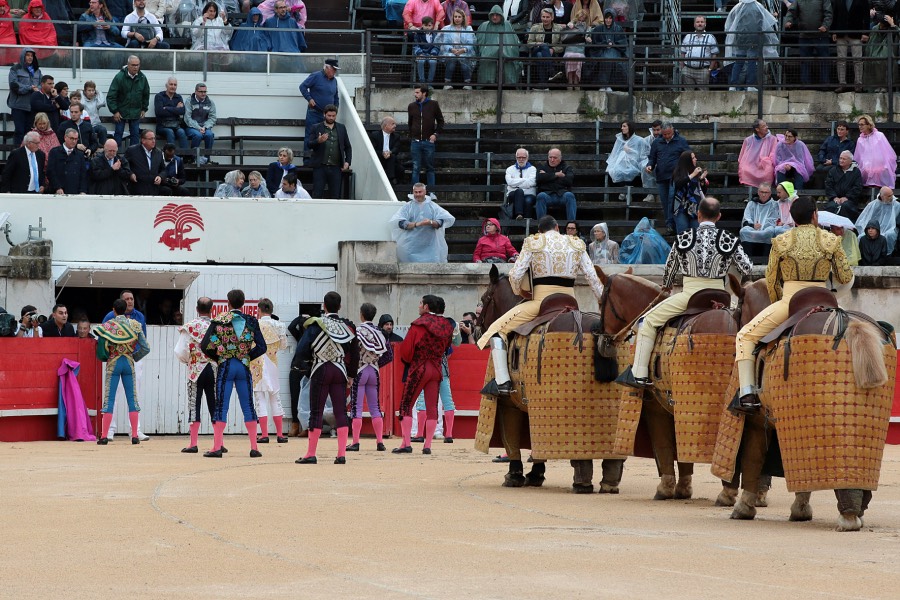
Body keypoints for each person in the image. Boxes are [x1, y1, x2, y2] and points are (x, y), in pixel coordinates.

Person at [733, 197, 853, 413]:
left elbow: (771, 280)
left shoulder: (781, 241)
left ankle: (747, 394)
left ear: (793, 218)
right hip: (824, 299)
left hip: (790, 302)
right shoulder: (830, 240)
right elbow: (845, 277)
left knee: (745, 336)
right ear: (815, 215)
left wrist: (782, 301)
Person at [618, 198, 753, 388]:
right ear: (719, 216)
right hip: (722, 298)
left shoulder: (684, 237)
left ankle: (639, 374)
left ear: (698, 215)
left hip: (690, 296)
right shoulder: (729, 238)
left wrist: (668, 286)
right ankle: (748, 384)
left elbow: (669, 271)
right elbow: (747, 266)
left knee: (646, 322)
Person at [476, 214, 604, 394]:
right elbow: (592, 277)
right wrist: (602, 301)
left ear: (539, 231)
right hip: (570, 301)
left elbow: (515, 275)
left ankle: (503, 382)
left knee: (497, 331)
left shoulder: (533, 242)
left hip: (541, 302)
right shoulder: (576, 243)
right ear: (558, 227)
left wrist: (520, 292)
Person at [200, 289, 268, 458]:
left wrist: (219, 356)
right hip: (243, 367)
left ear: (228, 303)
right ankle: (254, 447)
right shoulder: (251, 321)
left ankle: (217, 447)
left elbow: (205, 344)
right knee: (248, 405)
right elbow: (262, 347)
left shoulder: (219, 320)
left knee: (221, 406)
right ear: (243, 303)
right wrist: (245, 356)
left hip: (226, 366)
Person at [295, 291, 358, 464]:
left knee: (316, 411)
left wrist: (306, 369)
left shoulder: (315, 325)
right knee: (340, 412)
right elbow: (354, 351)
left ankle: (311, 453)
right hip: (339, 370)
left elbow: (302, 350)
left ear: (324, 306)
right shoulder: (348, 326)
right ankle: (341, 454)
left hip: (320, 369)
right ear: (340, 306)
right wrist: (351, 374)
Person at [392, 294, 454, 454]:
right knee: (432, 406)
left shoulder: (419, 324)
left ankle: (406, 443)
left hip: (419, 367)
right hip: (436, 368)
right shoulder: (446, 325)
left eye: (420, 303)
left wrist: (411, 361)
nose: (419, 306)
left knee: (406, 405)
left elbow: (406, 351)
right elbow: (447, 347)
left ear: (426, 307)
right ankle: (427, 445)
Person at [94, 298, 150, 446]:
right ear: (125, 309)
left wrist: (107, 356)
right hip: (128, 362)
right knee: (132, 398)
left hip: (113, 362)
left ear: (114, 310)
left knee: (109, 399)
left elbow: (102, 347)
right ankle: (135, 436)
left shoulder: (107, 326)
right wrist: (133, 357)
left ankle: (105, 435)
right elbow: (146, 348)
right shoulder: (135, 325)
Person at [410, 299, 460, 444]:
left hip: (426, 365)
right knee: (447, 400)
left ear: (428, 307)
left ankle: (419, 433)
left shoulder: (422, 323)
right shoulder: (449, 324)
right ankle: (449, 434)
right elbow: (457, 343)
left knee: (422, 401)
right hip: (442, 365)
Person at [347, 302, 392, 452]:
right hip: (373, 371)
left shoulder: (357, 331)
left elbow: (352, 353)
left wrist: (350, 371)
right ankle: (379, 441)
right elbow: (389, 355)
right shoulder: (380, 332)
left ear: (361, 314)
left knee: (357, 407)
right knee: (375, 407)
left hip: (360, 370)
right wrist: (376, 363)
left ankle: (355, 442)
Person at [173, 296, 216, 453]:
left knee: (194, 405)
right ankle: (219, 442)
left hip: (195, 370)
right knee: (215, 405)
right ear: (211, 310)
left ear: (197, 309)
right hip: (213, 369)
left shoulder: (190, 326)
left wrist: (189, 361)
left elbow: (180, 351)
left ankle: (193, 443)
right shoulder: (216, 327)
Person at [251, 298, 288, 444]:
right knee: (275, 397)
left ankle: (264, 434)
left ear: (259, 311)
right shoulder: (279, 325)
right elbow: (284, 346)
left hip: (257, 363)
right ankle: (280, 434)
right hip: (272, 362)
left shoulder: (254, 324)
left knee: (260, 398)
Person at [389, 183, 456, 262]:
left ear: (425, 192)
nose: (417, 194)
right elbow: (400, 222)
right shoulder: (407, 207)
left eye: (420, 192)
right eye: (415, 192)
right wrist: (416, 224)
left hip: (431, 246)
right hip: (411, 245)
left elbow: (441, 221)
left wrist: (430, 222)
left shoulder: (433, 206)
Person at [646, 121, 690, 235]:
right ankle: (669, 223)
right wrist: (650, 165)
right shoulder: (657, 142)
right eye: (664, 134)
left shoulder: (681, 141)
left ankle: (671, 223)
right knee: (665, 201)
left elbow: (688, 156)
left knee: (671, 199)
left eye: (668, 134)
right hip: (661, 176)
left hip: (675, 176)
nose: (666, 136)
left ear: (672, 130)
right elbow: (652, 157)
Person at [724, 0, 778, 91]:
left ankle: (733, 85)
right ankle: (750, 85)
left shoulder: (738, 7)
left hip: (740, 38)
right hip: (754, 38)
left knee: (739, 61)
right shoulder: (758, 6)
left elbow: (730, 22)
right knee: (752, 61)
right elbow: (764, 20)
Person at [299, 59, 340, 164]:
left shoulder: (334, 81)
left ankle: (322, 159)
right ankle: (307, 159)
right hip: (314, 111)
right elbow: (302, 86)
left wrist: (336, 108)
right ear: (327, 68)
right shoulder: (316, 76)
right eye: (333, 69)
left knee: (325, 137)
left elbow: (336, 96)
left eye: (335, 70)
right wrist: (309, 98)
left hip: (327, 115)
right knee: (310, 135)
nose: (334, 72)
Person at [784, 0, 833, 87]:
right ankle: (805, 84)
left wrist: (825, 25)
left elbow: (828, 13)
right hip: (804, 35)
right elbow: (791, 11)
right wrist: (788, 21)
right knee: (804, 61)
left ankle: (825, 84)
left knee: (824, 60)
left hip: (821, 35)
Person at [308, 104, 351, 199]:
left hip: (336, 167)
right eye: (329, 115)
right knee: (317, 194)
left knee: (335, 195)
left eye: (333, 116)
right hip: (320, 166)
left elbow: (348, 147)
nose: (331, 118)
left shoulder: (341, 128)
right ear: (324, 115)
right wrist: (318, 141)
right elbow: (309, 144)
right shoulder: (316, 127)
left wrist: (347, 161)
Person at [107, 56, 150, 148]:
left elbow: (146, 94)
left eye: (137, 65)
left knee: (135, 135)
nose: (136, 67)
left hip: (136, 111)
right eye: (133, 65)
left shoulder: (143, 78)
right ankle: (114, 156)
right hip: (121, 112)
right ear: (128, 65)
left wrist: (144, 109)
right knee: (118, 134)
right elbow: (111, 96)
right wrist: (115, 111)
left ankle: (133, 158)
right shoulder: (119, 77)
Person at [407, 83, 444, 187]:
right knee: (415, 167)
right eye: (415, 92)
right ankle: (414, 192)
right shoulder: (411, 106)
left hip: (429, 141)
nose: (415, 94)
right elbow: (410, 123)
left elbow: (441, 121)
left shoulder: (433, 104)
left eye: (417, 92)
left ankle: (431, 191)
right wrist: (412, 136)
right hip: (416, 141)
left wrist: (435, 134)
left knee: (430, 167)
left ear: (424, 93)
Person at [476, 5, 520, 85]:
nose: (495, 17)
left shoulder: (507, 25)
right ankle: (487, 84)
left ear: (501, 15)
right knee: (486, 59)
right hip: (487, 53)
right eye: (493, 15)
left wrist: (506, 50)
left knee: (508, 59)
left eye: (497, 15)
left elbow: (514, 41)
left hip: (506, 52)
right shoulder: (484, 25)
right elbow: (479, 41)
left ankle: (509, 84)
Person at [832, 0, 869, 93]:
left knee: (858, 60)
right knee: (841, 60)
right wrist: (833, 31)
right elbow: (834, 15)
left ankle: (858, 85)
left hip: (856, 33)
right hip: (841, 33)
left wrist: (865, 33)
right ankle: (842, 84)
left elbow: (866, 16)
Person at [7, 49, 42, 147]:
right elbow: (14, 86)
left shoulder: (37, 70)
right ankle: (18, 154)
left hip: (32, 107)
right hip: (18, 107)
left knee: (30, 133)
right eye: (28, 55)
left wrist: (37, 89)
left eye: (32, 55)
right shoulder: (15, 69)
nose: (30, 57)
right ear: (23, 56)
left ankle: (28, 154)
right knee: (19, 131)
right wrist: (30, 88)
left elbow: (41, 85)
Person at [586, 8, 626, 90]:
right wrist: (604, 44)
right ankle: (603, 85)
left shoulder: (618, 29)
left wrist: (613, 44)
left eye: (610, 18)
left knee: (610, 57)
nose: (608, 20)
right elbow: (594, 42)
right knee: (605, 58)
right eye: (606, 18)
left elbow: (622, 44)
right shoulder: (598, 28)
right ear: (604, 18)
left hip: (615, 51)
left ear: (613, 19)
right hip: (601, 51)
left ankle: (607, 85)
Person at [853, 115, 897, 188]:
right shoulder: (860, 139)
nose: (860, 126)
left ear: (869, 125)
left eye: (862, 124)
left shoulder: (879, 135)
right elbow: (859, 156)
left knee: (882, 172)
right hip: (866, 167)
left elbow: (887, 151)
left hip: (880, 166)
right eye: (859, 125)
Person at [855, 186, 900, 254]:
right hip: (873, 228)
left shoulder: (896, 205)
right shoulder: (873, 205)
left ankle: (886, 255)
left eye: (892, 194)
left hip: (889, 229)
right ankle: (863, 255)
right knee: (861, 237)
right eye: (889, 196)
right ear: (882, 196)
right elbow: (864, 219)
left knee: (890, 235)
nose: (892, 197)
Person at [671, 151, 709, 234]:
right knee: (683, 234)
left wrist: (702, 181)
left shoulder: (696, 173)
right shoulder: (679, 172)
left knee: (696, 233)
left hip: (694, 207)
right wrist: (692, 175)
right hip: (681, 207)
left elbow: (702, 192)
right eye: (693, 158)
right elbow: (678, 184)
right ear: (687, 161)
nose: (696, 159)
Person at [535, 147, 577, 221]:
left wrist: (547, 176)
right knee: (540, 196)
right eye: (550, 157)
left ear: (560, 159)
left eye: (555, 158)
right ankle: (541, 226)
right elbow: (539, 178)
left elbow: (569, 181)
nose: (552, 160)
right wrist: (557, 175)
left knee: (570, 196)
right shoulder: (542, 167)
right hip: (547, 195)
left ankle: (571, 224)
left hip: (562, 195)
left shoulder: (567, 168)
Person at [822, 150, 863, 222]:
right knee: (831, 207)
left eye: (844, 159)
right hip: (835, 199)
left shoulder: (856, 172)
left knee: (846, 207)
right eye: (840, 158)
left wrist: (847, 197)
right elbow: (828, 185)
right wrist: (834, 197)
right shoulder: (833, 170)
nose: (841, 160)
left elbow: (857, 187)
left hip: (850, 200)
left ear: (850, 161)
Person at [607, 121, 649, 190]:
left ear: (630, 127)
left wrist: (630, 151)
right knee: (613, 171)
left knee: (630, 171)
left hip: (634, 163)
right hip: (622, 163)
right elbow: (615, 153)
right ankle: (624, 188)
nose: (622, 128)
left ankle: (627, 189)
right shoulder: (620, 140)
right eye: (622, 126)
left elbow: (644, 153)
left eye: (624, 126)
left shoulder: (639, 140)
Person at [125, 129, 169, 195]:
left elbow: (163, 170)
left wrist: (160, 177)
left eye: (154, 138)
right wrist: (130, 174)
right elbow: (124, 165)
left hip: (153, 190)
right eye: (151, 139)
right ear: (143, 140)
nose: (153, 141)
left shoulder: (158, 152)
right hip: (136, 190)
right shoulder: (132, 151)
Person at [737, 119, 777, 190]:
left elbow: (773, 153)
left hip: (765, 163)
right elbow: (742, 156)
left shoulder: (773, 139)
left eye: (766, 125)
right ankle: (749, 193)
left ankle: (765, 192)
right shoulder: (748, 140)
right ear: (757, 129)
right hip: (751, 164)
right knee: (745, 169)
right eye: (764, 126)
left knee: (768, 170)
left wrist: (767, 161)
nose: (767, 127)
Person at [440, 7, 475, 89]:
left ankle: (467, 83)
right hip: (451, 51)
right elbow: (445, 43)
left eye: (459, 17)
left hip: (465, 51)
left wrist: (463, 50)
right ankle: (447, 83)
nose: (457, 19)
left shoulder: (468, 28)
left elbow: (470, 43)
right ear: (453, 18)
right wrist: (452, 50)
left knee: (463, 58)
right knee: (452, 58)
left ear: (463, 18)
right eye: (455, 17)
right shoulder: (448, 28)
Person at [527, 8, 564, 85]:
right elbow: (529, 43)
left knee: (540, 55)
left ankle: (543, 84)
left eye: (547, 17)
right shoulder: (535, 28)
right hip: (536, 50)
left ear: (552, 18)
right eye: (543, 17)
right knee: (544, 45)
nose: (545, 19)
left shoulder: (559, 29)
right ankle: (551, 71)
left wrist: (553, 49)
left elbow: (562, 46)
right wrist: (538, 43)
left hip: (551, 54)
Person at [680, 15, 718, 89]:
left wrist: (709, 70)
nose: (700, 24)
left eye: (702, 22)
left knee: (704, 95)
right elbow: (683, 52)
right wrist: (683, 68)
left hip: (703, 71)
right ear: (694, 24)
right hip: (688, 70)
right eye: (697, 22)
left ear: (705, 24)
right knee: (688, 95)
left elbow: (714, 55)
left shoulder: (711, 38)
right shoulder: (687, 37)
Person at [47, 128, 89, 195]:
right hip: (58, 192)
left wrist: (83, 190)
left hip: (74, 191)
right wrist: (57, 187)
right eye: (72, 138)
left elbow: (83, 174)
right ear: (65, 137)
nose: (74, 141)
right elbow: (50, 171)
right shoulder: (54, 152)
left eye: (76, 139)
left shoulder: (80, 155)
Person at [739, 182, 781, 246]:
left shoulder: (774, 205)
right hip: (753, 228)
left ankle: (766, 255)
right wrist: (753, 225)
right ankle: (747, 255)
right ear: (758, 192)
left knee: (770, 231)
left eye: (766, 192)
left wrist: (763, 227)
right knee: (744, 231)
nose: (764, 195)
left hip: (767, 229)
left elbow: (774, 220)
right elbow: (746, 219)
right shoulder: (751, 204)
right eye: (762, 192)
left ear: (770, 193)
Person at [184, 82, 217, 165]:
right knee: (197, 135)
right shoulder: (189, 101)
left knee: (209, 135)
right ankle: (193, 159)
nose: (203, 93)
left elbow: (212, 118)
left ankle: (207, 159)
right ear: (196, 92)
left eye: (205, 92)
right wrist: (198, 128)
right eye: (201, 91)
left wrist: (205, 127)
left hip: (205, 127)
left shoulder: (210, 102)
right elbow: (187, 118)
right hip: (191, 127)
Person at [154, 77, 189, 150]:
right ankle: (171, 156)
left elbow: (182, 111)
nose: (173, 86)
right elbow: (159, 112)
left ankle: (186, 157)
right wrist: (176, 108)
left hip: (176, 125)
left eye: (175, 85)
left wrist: (167, 108)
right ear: (166, 85)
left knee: (182, 132)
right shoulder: (159, 96)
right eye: (171, 84)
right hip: (162, 126)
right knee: (170, 132)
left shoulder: (178, 97)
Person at [505, 148, 537, 219]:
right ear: (516, 158)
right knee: (519, 192)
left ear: (527, 158)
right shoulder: (509, 169)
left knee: (527, 200)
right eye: (519, 157)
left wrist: (515, 182)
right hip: (513, 194)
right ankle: (519, 216)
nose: (521, 159)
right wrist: (525, 181)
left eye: (523, 157)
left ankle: (525, 221)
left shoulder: (533, 169)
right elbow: (509, 182)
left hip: (529, 194)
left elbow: (532, 182)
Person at [560, 9, 589, 88]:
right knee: (569, 57)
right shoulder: (571, 23)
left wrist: (588, 38)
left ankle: (576, 81)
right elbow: (564, 32)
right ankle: (570, 81)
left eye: (584, 17)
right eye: (580, 17)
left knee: (578, 59)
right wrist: (568, 26)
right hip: (570, 48)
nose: (582, 19)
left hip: (580, 49)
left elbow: (588, 36)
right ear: (577, 16)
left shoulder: (587, 27)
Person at [370, 116, 401, 184]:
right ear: (386, 125)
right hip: (379, 158)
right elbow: (373, 149)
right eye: (392, 124)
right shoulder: (375, 135)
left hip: (391, 158)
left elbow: (396, 148)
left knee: (399, 167)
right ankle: (391, 179)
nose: (395, 126)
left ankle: (391, 179)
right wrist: (383, 153)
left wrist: (390, 152)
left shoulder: (396, 136)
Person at [413, 16, 441, 83]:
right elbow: (415, 45)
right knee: (421, 61)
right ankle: (422, 82)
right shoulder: (418, 34)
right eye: (425, 25)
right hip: (421, 53)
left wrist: (433, 54)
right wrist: (419, 53)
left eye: (429, 25)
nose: (427, 27)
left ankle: (429, 82)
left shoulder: (435, 34)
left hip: (431, 53)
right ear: (422, 25)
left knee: (433, 62)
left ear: (432, 26)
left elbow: (437, 46)